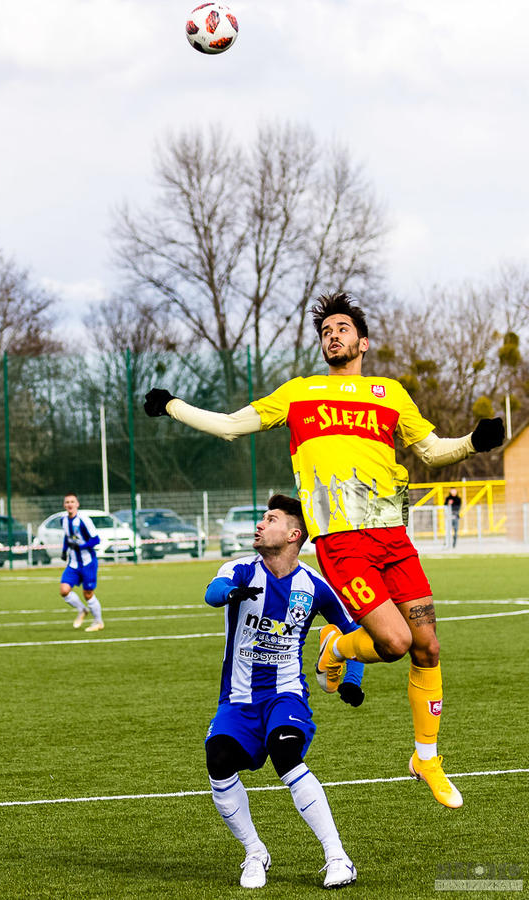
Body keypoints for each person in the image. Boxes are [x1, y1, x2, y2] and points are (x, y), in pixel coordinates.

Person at [144, 290, 505, 810]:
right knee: (396, 643)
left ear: (362, 340)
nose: (332, 335)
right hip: (342, 542)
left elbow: (430, 450)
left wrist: (474, 441)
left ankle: (426, 757)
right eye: (325, 331)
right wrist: (173, 406)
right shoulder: (299, 392)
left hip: (393, 536)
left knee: (428, 648)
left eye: (341, 328)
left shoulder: (390, 394)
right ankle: (335, 646)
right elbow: (229, 426)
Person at [205, 494, 364, 890]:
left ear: (293, 534)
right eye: (262, 518)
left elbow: (357, 635)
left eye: (270, 518)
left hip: (285, 695)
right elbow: (213, 591)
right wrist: (229, 594)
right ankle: (255, 851)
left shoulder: (314, 585)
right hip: (238, 700)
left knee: (285, 751)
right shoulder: (240, 569)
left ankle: (337, 857)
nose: (260, 524)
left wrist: (352, 679)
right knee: (218, 759)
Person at [59, 493, 104, 632]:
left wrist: (81, 546)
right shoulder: (63, 520)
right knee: (64, 590)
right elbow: (67, 537)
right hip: (73, 562)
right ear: (64, 505)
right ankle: (82, 610)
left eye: (72, 501)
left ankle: (98, 622)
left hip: (87, 562)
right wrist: (64, 550)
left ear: (77, 504)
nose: (70, 504)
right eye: (67, 502)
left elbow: (96, 540)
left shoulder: (84, 520)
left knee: (88, 594)